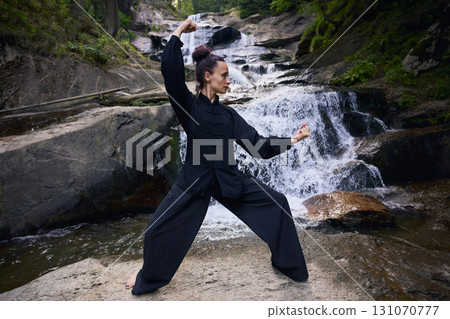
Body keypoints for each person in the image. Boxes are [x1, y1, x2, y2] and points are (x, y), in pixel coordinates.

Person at [126, 18, 311, 295]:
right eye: (224, 75)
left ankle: (286, 263)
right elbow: (171, 71)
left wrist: (293, 139)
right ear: (207, 76)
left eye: (228, 75)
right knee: (155, 230)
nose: (228, 80)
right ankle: (147, 276)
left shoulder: (229, 115)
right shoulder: (188, 105)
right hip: (195, 181)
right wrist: (177, 32)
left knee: (279, 203)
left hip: (229, 179)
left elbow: (258, 147)